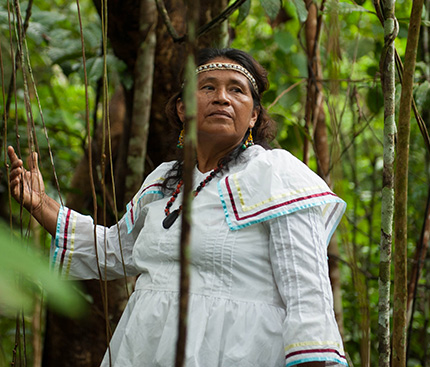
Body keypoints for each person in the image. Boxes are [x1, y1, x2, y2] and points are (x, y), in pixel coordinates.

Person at [8, 48, 348, 367]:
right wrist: (41, 204)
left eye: (237, 91)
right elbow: (114, 251)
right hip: (145, 346)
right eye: (208, 87)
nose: (222, 98)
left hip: (240, 351)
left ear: (254, 116)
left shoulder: (278, 176)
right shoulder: (162, 181)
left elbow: (309, 293)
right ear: (183, 108)